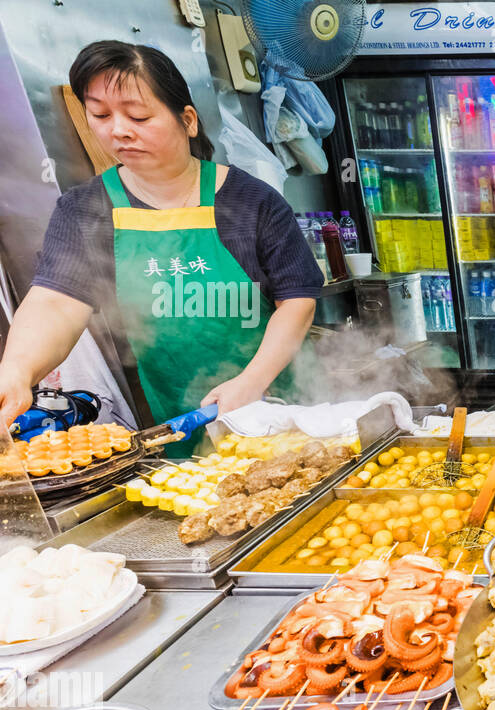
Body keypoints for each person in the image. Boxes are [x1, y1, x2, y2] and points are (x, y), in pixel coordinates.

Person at [0, 41, 321, 450]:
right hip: (174, 418)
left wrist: (250, 383)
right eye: (100, 115)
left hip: (271, 403)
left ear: (187, 120)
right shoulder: (85, 210)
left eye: (138, 115)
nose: (118, 130)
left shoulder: (251, 201)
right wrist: (15, 370)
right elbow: (55, 302)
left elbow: (297, 300)